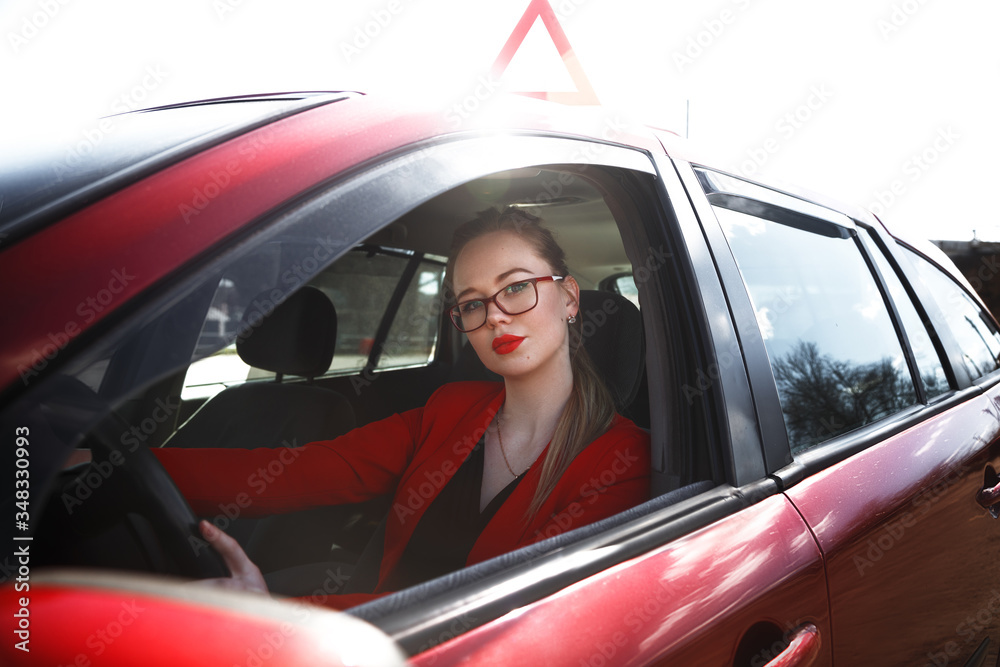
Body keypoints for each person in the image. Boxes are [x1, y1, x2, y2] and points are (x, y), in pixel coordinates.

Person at [151, 206, 651, 608]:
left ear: (568, 297)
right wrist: (125, 467)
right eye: (472, 303)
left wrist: (281, 613)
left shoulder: (621, 461)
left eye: (516, 286)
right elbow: (302, 471)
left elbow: (492, 609)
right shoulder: (449, 409)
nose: (495, 316)